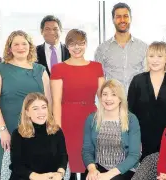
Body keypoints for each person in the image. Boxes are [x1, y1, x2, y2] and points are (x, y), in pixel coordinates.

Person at [0, 30, 50, 173]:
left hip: (37, 128)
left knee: (37, 169)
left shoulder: (41, 70)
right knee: (11, 170)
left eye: (24, 43)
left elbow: (49, 103)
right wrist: (3, 130)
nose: (20, 47)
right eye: (15, 44)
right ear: (9, 48)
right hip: (8, 128)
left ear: (30, 46)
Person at [51, 29, 105, 180]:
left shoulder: (96, 67)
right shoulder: (58, 68)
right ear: (67, 46)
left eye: (80, 43)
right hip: (68, 119)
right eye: (72, 44)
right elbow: (56, 101)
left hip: (91, 118)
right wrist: (57, 128)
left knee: (91, 158)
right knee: (69, 160)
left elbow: (102, 99)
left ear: (86, 44)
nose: (76, 48)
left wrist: (103, 121)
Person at [128, 41, 166, 160]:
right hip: (142, 139)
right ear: (147, 58)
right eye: (151, 56)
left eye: (159, 56)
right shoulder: (137, 80)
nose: (155, 60)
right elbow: (130, 111)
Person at [82, 79, 141, 180]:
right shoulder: (92, 119)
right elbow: (87, 150)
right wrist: (92, 169)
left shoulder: (131, 119)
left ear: (120, 98)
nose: (108, 98)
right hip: (98, 167)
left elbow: (134, 155)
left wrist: (108, 175)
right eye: (105, 94)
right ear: (100, 97)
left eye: (113, 94)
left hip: (124, 170)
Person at [10, 92, 68, 180]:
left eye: (44, 107)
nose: (41, 112)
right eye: (35, 109)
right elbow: (17, 165)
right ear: (27, 113)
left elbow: (63, 156)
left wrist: (60, 173)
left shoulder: (56, 130)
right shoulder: (18, 134)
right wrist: (39, 177)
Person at [95, 2, 147, 93]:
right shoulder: (102, 49)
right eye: (118, 17)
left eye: (126, 16)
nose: (122, 20)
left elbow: (148, 78)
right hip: (112, 103)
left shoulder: (144, 47)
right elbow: (99, 81)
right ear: (113, 20)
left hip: (138, 102)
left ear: (131, 18)